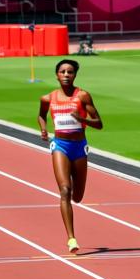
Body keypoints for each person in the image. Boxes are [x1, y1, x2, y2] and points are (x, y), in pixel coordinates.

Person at [37, 59, 103, 254]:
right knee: (65, 190)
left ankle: (74, 199)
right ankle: (71, 238)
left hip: (79, 147)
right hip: (60, 145)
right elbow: (41, 115)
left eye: (70, 72)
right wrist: (43, 129)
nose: (66, 75)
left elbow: (99, 123)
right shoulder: (47, 98)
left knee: (78, 196)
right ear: (56, 75)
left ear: (75, 75)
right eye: (63, 72)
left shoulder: (82, 96)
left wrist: (81, 119)